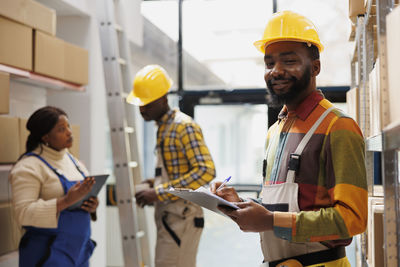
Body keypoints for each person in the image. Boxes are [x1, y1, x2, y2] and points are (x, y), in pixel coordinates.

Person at [211, 11, 367, 267]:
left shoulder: (339, 127)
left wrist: (270, 222)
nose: (276, 71)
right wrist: (240, 205)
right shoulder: (275, 132)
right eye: (269, 63)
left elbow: (353, 219)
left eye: (289, 61)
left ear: (315, 67)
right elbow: (284, 206)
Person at [127, 65, 216, 267]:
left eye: (147, 104)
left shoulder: (183, 126)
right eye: (140, 104)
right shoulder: (164, 128)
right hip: (171, 217)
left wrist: (158, 192)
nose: (142, 109)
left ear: (164, 98)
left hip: (182, 218)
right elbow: (177, 170)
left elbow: (206, 171)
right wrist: (153, 182)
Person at [9, 106, 99, 267]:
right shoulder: (28, 167)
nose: (69, 132)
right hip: (48, 254)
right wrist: (65, 201)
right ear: (45, 137)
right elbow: (23, 213)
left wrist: (92, 206)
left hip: (78, 252)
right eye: (61, 129)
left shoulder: (74, 162)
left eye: (68, 127)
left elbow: (82, 200)